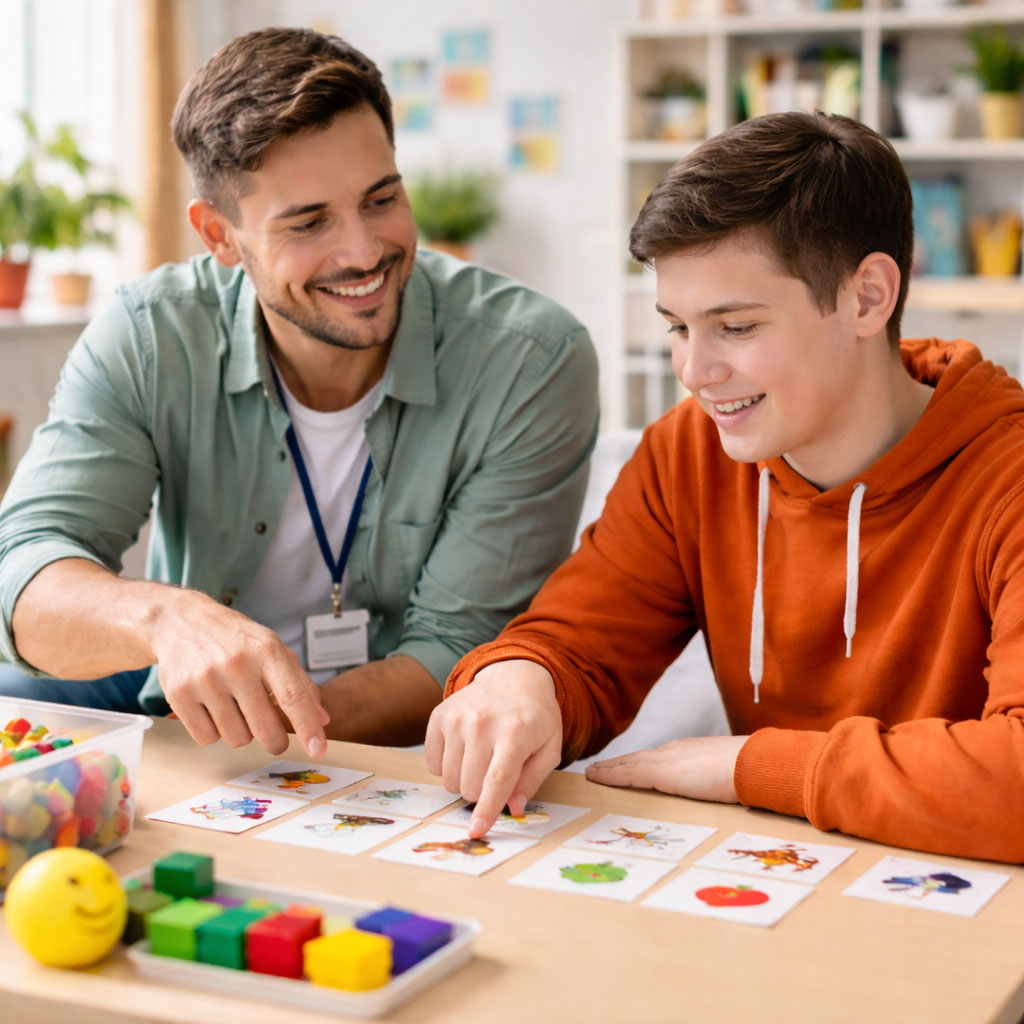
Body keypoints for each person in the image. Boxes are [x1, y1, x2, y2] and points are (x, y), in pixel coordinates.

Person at [427, 109, 1024, 865]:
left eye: (735, 327)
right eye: (677, 327)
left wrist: (747, 765)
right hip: (772, 880)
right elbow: (577, 644)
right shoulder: (689, 451)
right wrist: (521, 679)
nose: (693, 371)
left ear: (868, 298)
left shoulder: (1007, 478)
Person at [0, 28, 598, 760]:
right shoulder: (152, 333)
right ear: (220, 236)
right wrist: (166, 619)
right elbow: (23, 570)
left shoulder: (531, 358)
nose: (364, 252)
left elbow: (455, 650)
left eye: (381, 198)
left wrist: (254, 743)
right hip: (179, 688)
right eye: (309, 222)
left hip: (384, 721)